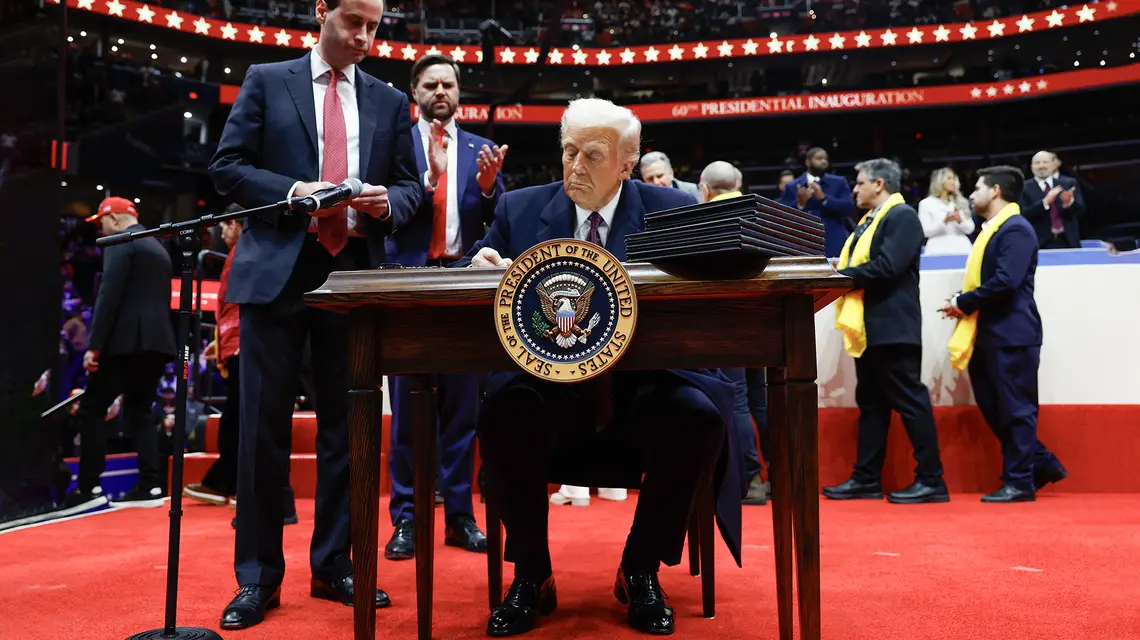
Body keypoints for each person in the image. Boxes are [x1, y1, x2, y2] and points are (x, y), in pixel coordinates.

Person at [457, 98, 741, 637]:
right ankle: (531, 575)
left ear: (628, 162)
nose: (575, 166)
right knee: (503, 411)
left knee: (699, 416)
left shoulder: (672, 210)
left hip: (641, 390)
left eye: (592, 154)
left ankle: (640, 567)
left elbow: (705, 295)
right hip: (546, 393)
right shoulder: (519, 210)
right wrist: (483, 265)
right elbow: (482, 262)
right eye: (568, 152)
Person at [207, 0, 422, 629]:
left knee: (348, 430)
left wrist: (388, 205)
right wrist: (292, 193)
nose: (363, 37)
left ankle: (336, 565)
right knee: (261, 430)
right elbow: (227, 168)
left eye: (374, 28)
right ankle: (257, 577)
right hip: (278, 267)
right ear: (322, 12)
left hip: (353, 271)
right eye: (352, 23)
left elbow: (412, 187)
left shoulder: (387, 99)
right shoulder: (266, 80)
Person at [382, 53, 506, 560]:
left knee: (461, 413)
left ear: (459, 92)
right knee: (410, 411)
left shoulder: (481, 150)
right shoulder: (394, 145)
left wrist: (489, 189)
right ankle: (407, 519)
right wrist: (428, 183)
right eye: (430, 83)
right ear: (414, 91)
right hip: (407, 282)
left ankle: (459, 517)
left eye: (448, 84)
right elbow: (382, 213)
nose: (440, 91)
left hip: (463, 282)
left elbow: (503, 219)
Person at [822, 158, 948, 505]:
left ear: (879, 184)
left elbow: (889, 266)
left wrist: (841, 277)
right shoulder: (871, 220)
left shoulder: (902, 215)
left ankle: (931, 479)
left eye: (859, 182)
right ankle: (866, 478)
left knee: (910, 401)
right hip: (872, 325)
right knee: (873, 405)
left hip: (893, 325)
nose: (854, 189)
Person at [940, 166, 1067, 503]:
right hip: (990, 332)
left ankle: (1021, 481)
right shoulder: (993, 230)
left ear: (995, 191)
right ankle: (1040, 464)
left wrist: (962, 302)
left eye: (977, 187)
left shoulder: (1015, 229)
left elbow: (1006, 282)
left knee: (1016, 410)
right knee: (995, 408)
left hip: (1012, 333)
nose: (971, 194)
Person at [59, 197, 176, 514]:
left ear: (116, 218)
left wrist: (94, 346)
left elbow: (109, 295)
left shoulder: (122, 241)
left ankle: (88, 487)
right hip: (157, 342)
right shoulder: (157, 247)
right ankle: (150, 485)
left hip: (125, 342)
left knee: (92, 409)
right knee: (140, 411)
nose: (100, 227)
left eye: (102, 221)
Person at [182, 216, 300, 526]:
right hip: (242, 340)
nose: (221, 232)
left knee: (249, 418)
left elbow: (239, 304)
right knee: (245, 417)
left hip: (250, 341)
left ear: (237, 224)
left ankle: (241, 489)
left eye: (225, 226)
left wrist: (231, 343)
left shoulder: (252, 249)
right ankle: (238, 488)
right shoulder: (243, 252)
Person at [698, 160, 771, 505]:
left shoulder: (701, 219)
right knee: (762, 401)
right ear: (739, 183)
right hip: (765, 319)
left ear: (704, 189)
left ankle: (752, 477)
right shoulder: (762, 215)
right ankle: (781, 473)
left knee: (738, 401)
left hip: (726, 321)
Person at [779, 147, 855, 258]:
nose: (824, 162)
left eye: (826, 159)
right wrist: (799, 204)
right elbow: (782, 216)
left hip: (833, 243)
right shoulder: (792, 186)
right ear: (807, 161)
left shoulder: (839, 182)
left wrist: (824, 198)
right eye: (819, 158)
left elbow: (849, 208)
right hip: (802, 243)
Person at [1018, 150, 1085, 249]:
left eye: (1045, 162)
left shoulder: (1068, 183)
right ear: (1031, 166)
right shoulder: (1023, 187)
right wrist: (1045, 202)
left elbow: (1081, 210)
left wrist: (1070, 203)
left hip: (1068, 242)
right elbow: (1022, 214)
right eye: (1037, 163)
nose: (1041, 166)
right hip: (1040, 244)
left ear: (1053, 165)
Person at [917, 167, 974, 255]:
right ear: (940, 181)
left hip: (962, 249)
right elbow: (925, 231)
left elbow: (970, 228)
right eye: (949, 178)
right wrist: (944, 221)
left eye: (954, 179)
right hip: (936, 250)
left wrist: (960, 220)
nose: (953, 182)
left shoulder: (961, 202)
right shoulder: (926, 204)